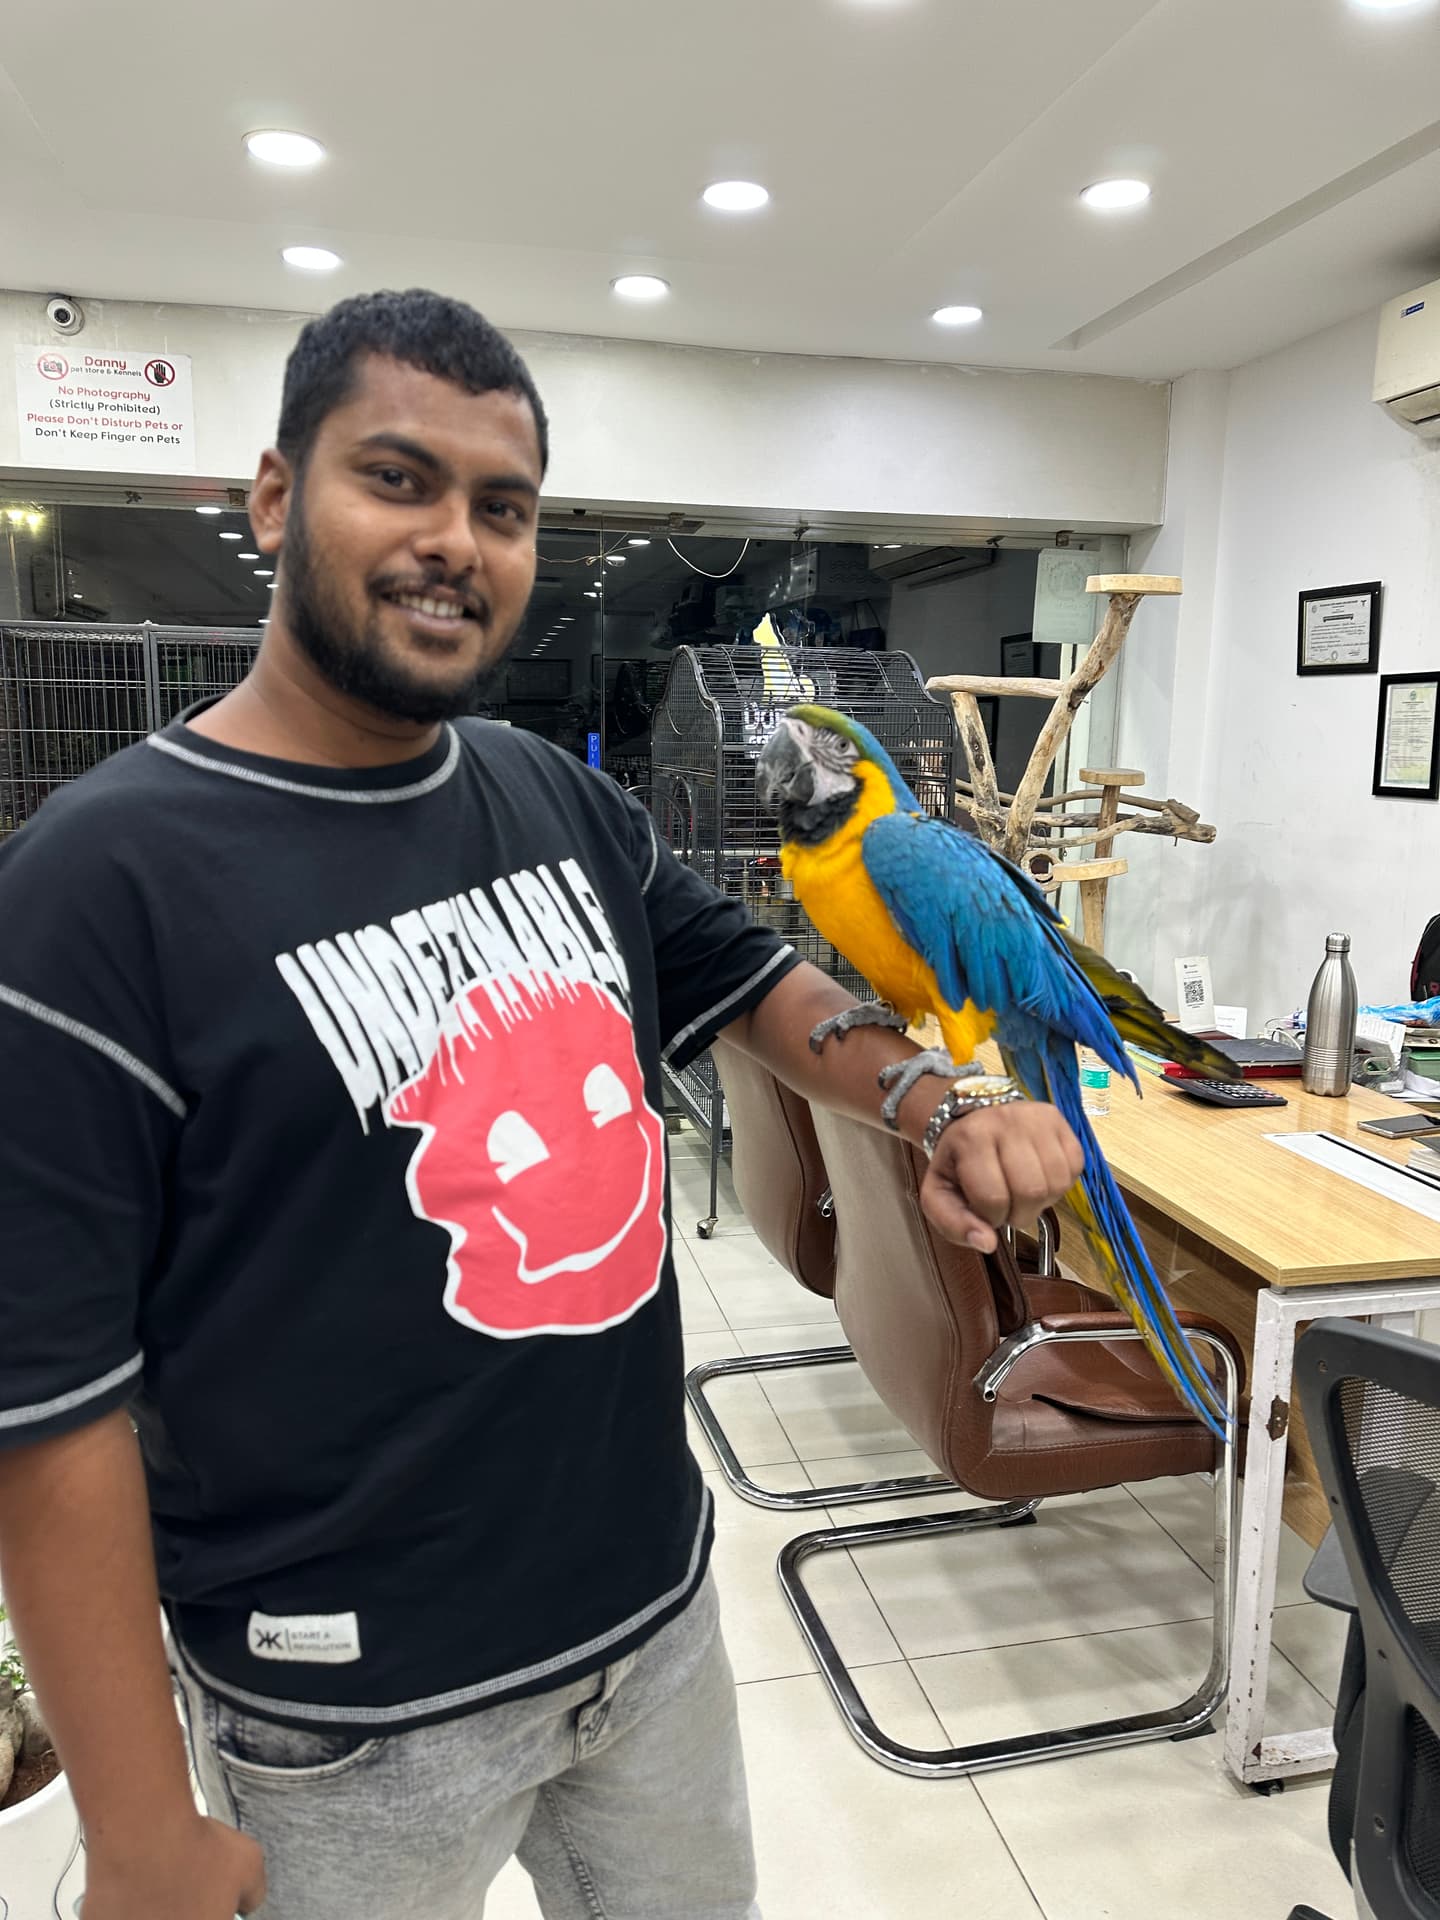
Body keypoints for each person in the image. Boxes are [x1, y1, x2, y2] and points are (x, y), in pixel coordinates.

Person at [0, 290, 1083, 1920]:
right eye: (398, 479)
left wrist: (933, 1101)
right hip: (350, 1713)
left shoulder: (552, 796)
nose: (457, 540)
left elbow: (753, 980)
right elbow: (47, 1403)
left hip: (650, 1624)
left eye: (502, 507)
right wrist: (139, 1831)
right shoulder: (90, 889)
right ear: (277, 497)